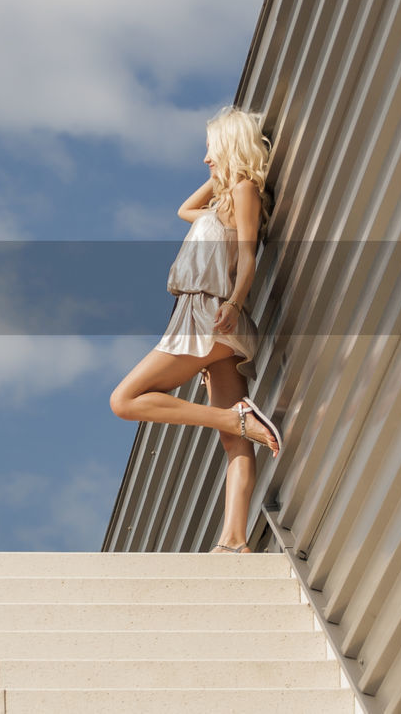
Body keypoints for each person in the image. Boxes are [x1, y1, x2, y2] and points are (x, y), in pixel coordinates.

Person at [109, 105, 283, 554]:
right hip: (209, 320)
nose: (206, 160)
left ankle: (236, 417)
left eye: (211, 150)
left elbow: (247, 257)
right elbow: (184, 208)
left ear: (230, 148)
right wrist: (221, 171)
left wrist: (235, 303)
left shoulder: (244, 191)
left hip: (209, 315)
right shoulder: (223, 198)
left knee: (124, 400)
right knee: (235, 442)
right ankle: (234, 540)